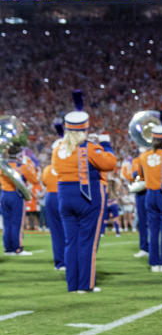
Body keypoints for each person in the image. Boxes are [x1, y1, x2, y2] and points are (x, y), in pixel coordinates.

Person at [54, 91, 117, 292]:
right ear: (85, 129)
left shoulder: (58, 149)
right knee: (87, 242)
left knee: (70, 242)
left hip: (64, 195)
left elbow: (57, 169)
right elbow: (110, 163)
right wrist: (105, 145)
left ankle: (72, 285)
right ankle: (85, 285)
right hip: (86, 195)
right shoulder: (89, 148)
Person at [136, 119, 162, 273]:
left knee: (153, 229)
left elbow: (139, 175)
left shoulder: (143, 156)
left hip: (149, 194)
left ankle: (154, 263)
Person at [1, 128, 39, 256]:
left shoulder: (2, 165)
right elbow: (34, 179)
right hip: (16, 195)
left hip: (4, 194)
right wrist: (28, 164)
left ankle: (8, 248)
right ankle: (17, 248)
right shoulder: (21, 165)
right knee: (17, 222)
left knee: (7, 223)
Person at [41, 126, 65, 270]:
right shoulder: (69, 165)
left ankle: (60, 262)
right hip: (64, 195)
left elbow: (44, 181)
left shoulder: (47, 169)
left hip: (51, 197)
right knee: (70, 231)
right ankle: (70, 261)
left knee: (56, 232)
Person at [123, 150, 150, 258]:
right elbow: (135, 178)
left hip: (150, 191)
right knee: (143, 222)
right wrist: (126, 173)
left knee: (151, 222)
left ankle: (151, 248)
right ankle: (144, 248)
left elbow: (136, 177)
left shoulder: (150, 158)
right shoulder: (136, 160)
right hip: (141, 193)